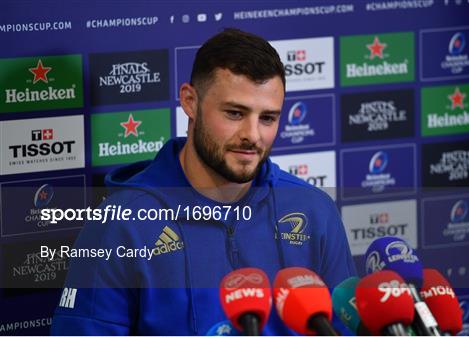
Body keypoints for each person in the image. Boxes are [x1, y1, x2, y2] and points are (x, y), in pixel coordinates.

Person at [51, 28, 356, 335]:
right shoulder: (121, 224)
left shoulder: (314, 210)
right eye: (235, 113)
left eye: (268, 118)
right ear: (190, 101)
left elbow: (343, 327)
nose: (253, 135)